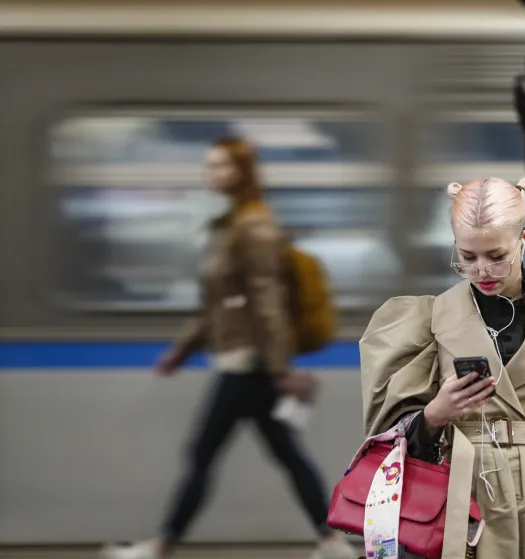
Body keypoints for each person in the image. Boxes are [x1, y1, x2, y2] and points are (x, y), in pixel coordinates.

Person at [100, 137, 356, 559]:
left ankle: (162, 545)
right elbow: (219, 303)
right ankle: (331, 542)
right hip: (249, 362)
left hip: (249, 365)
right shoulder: (232, 225)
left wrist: (278, 368)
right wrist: (183, 349)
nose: (211, 173)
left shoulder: (253, 226)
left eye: (220, 165)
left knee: (204, 452)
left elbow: (265, 301)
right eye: (210, 166)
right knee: (286, 454)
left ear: (242, 171)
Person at [359, 176, 525, 558]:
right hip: (457, 499)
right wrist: (435, 414)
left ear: (524, 238)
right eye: (467, 257)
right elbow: (382, 439)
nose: (481, 270)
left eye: (496, 256)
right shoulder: (423, 323)